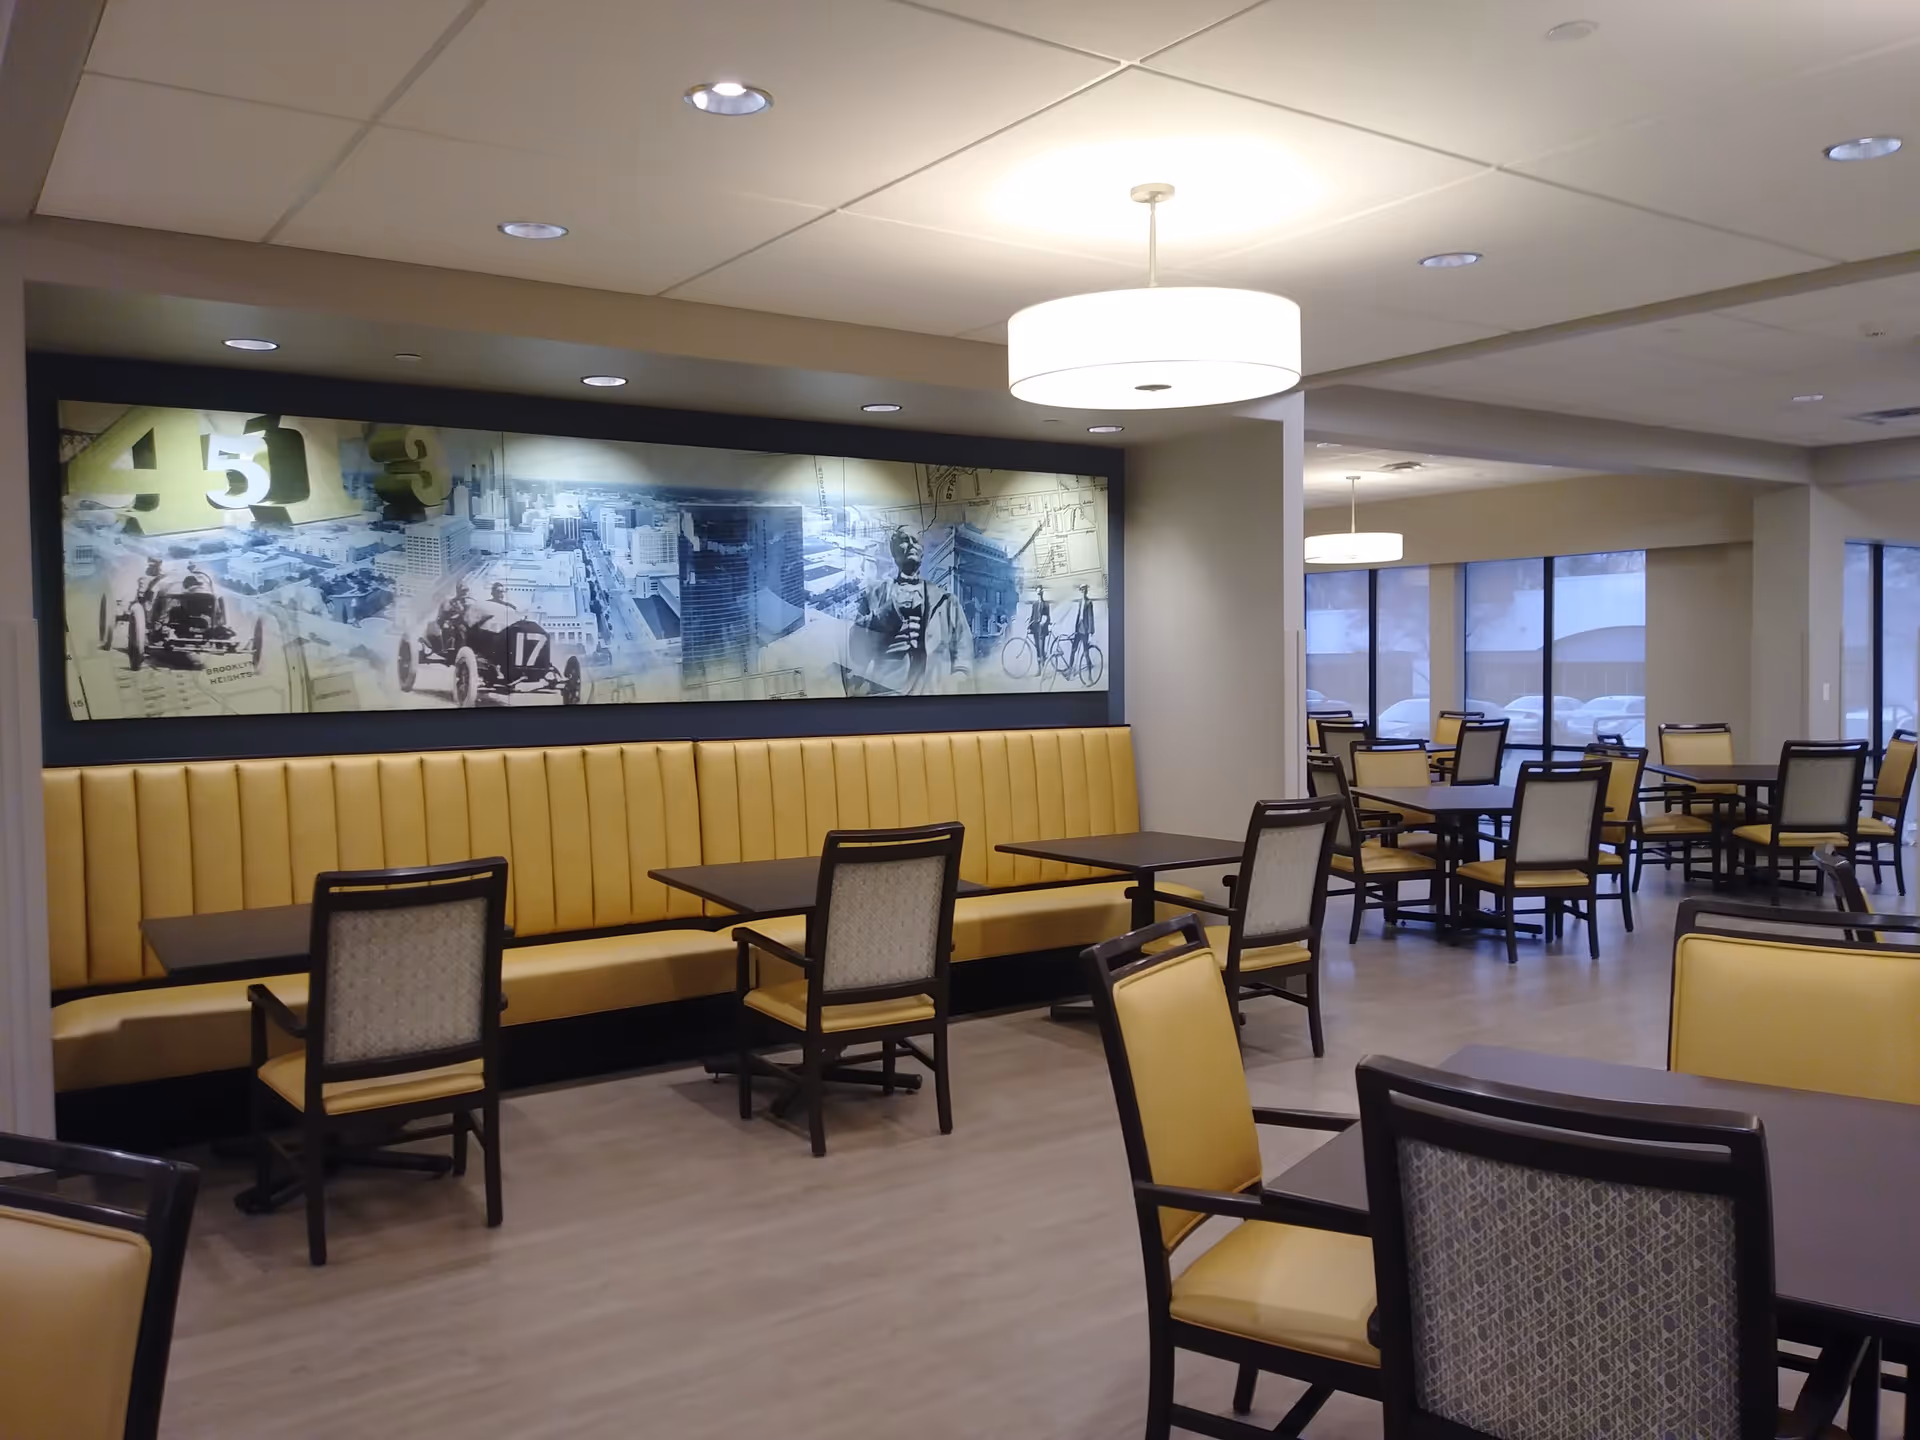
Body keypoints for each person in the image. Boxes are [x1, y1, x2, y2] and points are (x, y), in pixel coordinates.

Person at [847, 526, 974, 696]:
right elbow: (855, 648)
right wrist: (888, 612)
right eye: (904, 540)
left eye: (915, 541)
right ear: (894, 551)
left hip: (932, 691)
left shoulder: (945, 600)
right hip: (886, 691)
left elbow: (963, 649)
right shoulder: (875, 596)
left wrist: (958, 677)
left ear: (922, 552)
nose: (911, 544)